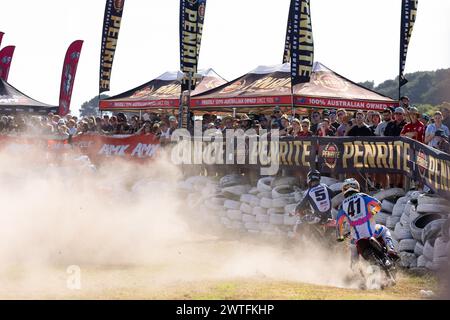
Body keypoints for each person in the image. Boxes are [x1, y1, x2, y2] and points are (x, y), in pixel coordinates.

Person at [336, 178, 399, 267]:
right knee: (384, 230)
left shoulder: (342, 205)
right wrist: (372, 213)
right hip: (371, 232)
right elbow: (378, 205)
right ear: (356, 187)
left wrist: (340, 237)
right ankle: (391, 250)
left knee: (354, 257)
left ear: (344, 190)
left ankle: (355, 272)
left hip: (356, 238)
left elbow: (339, 222)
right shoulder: (362, 196)